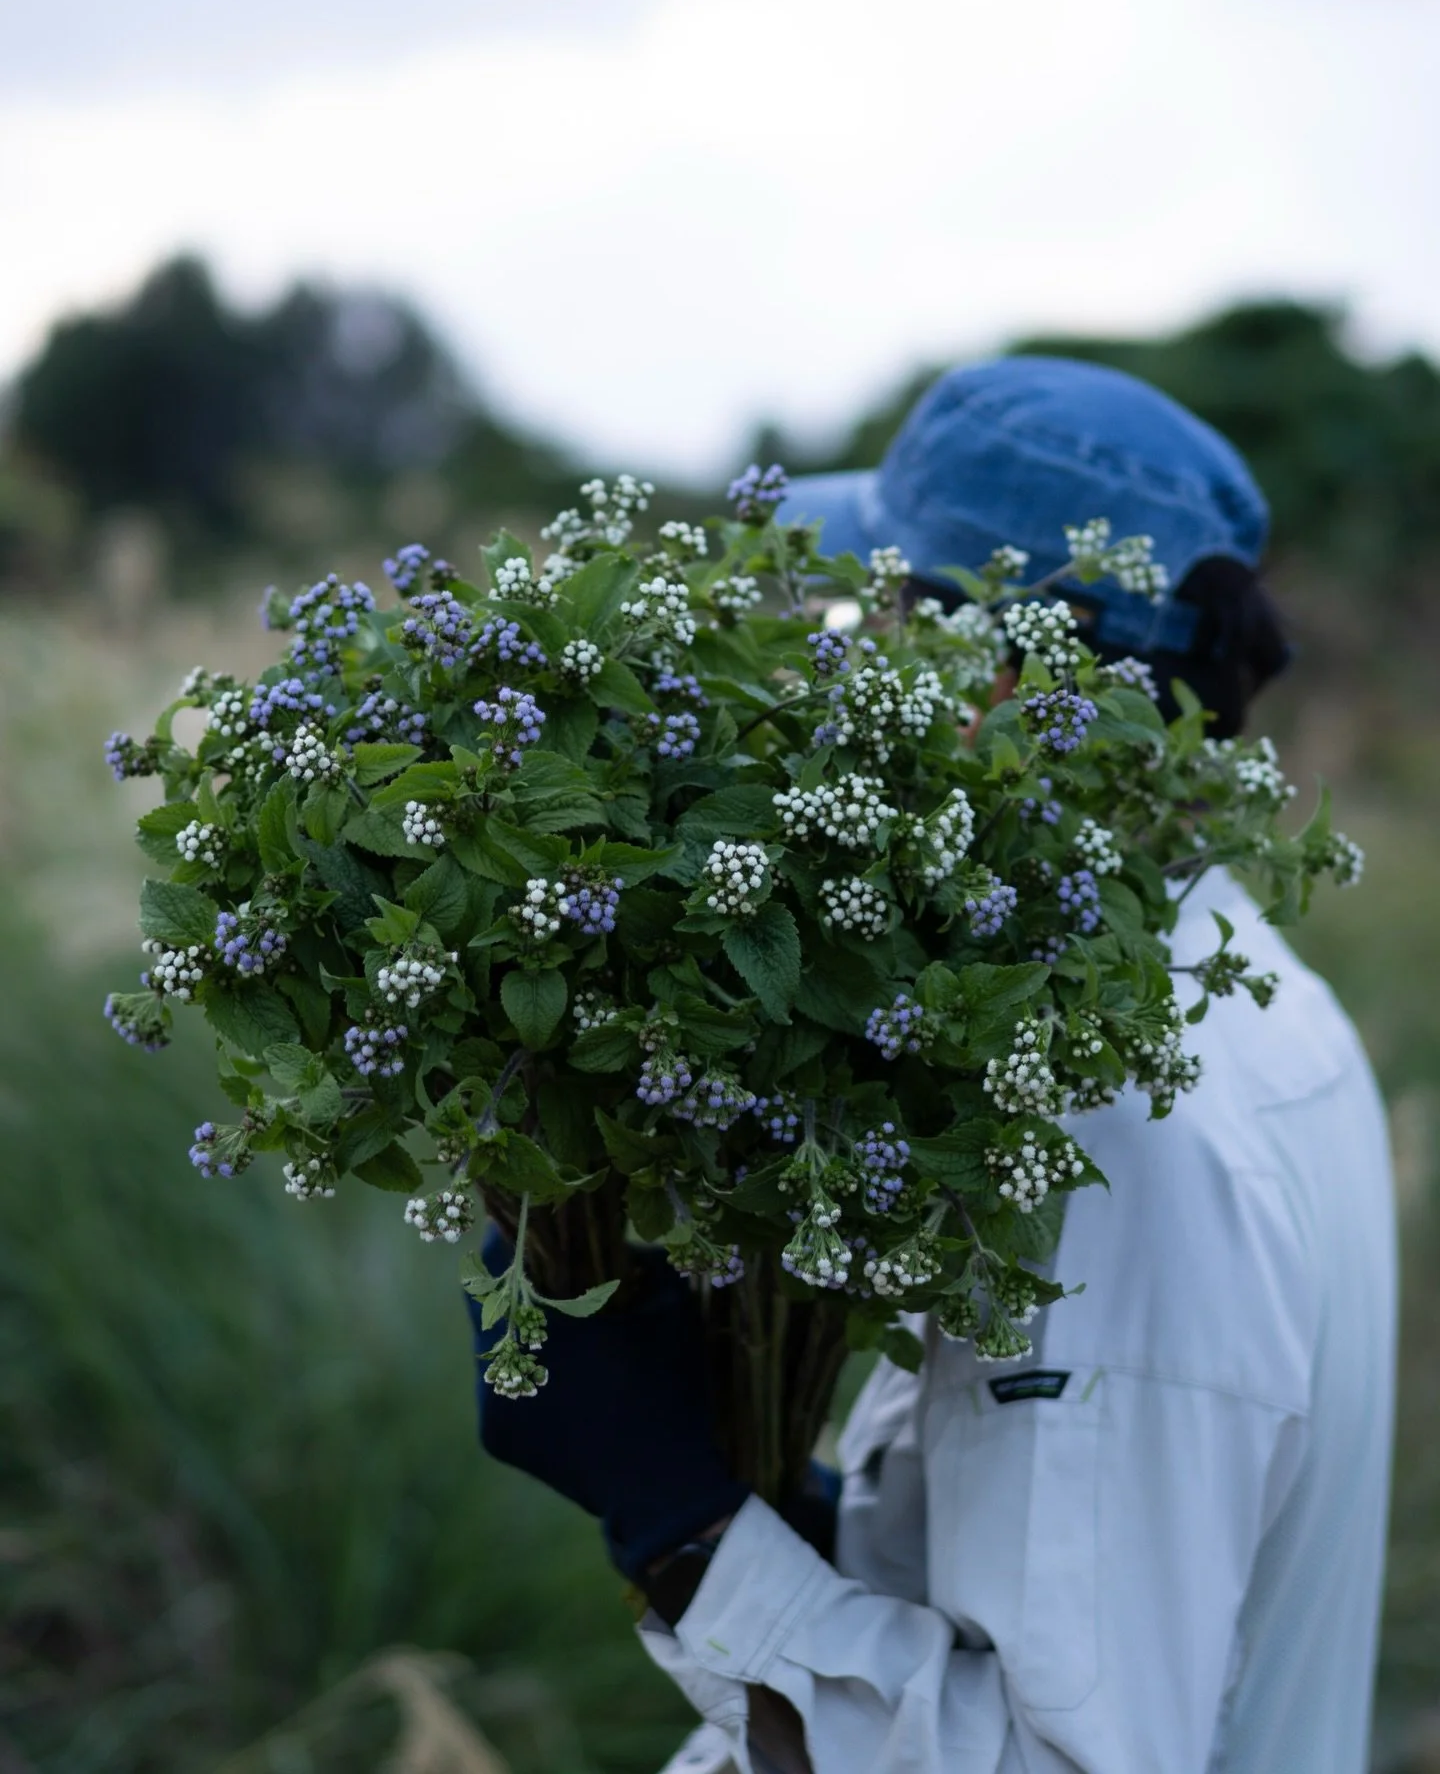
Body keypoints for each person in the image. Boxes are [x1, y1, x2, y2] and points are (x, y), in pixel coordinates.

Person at [471, 358, 1397, 1774]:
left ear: (1011, 673)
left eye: (887, 619)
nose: (845, 668)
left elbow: (1058, 1755)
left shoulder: (1123, 1123)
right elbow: (1092, 1558)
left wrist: (677, 1523)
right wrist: (807, 1503)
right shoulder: (1257, 996)